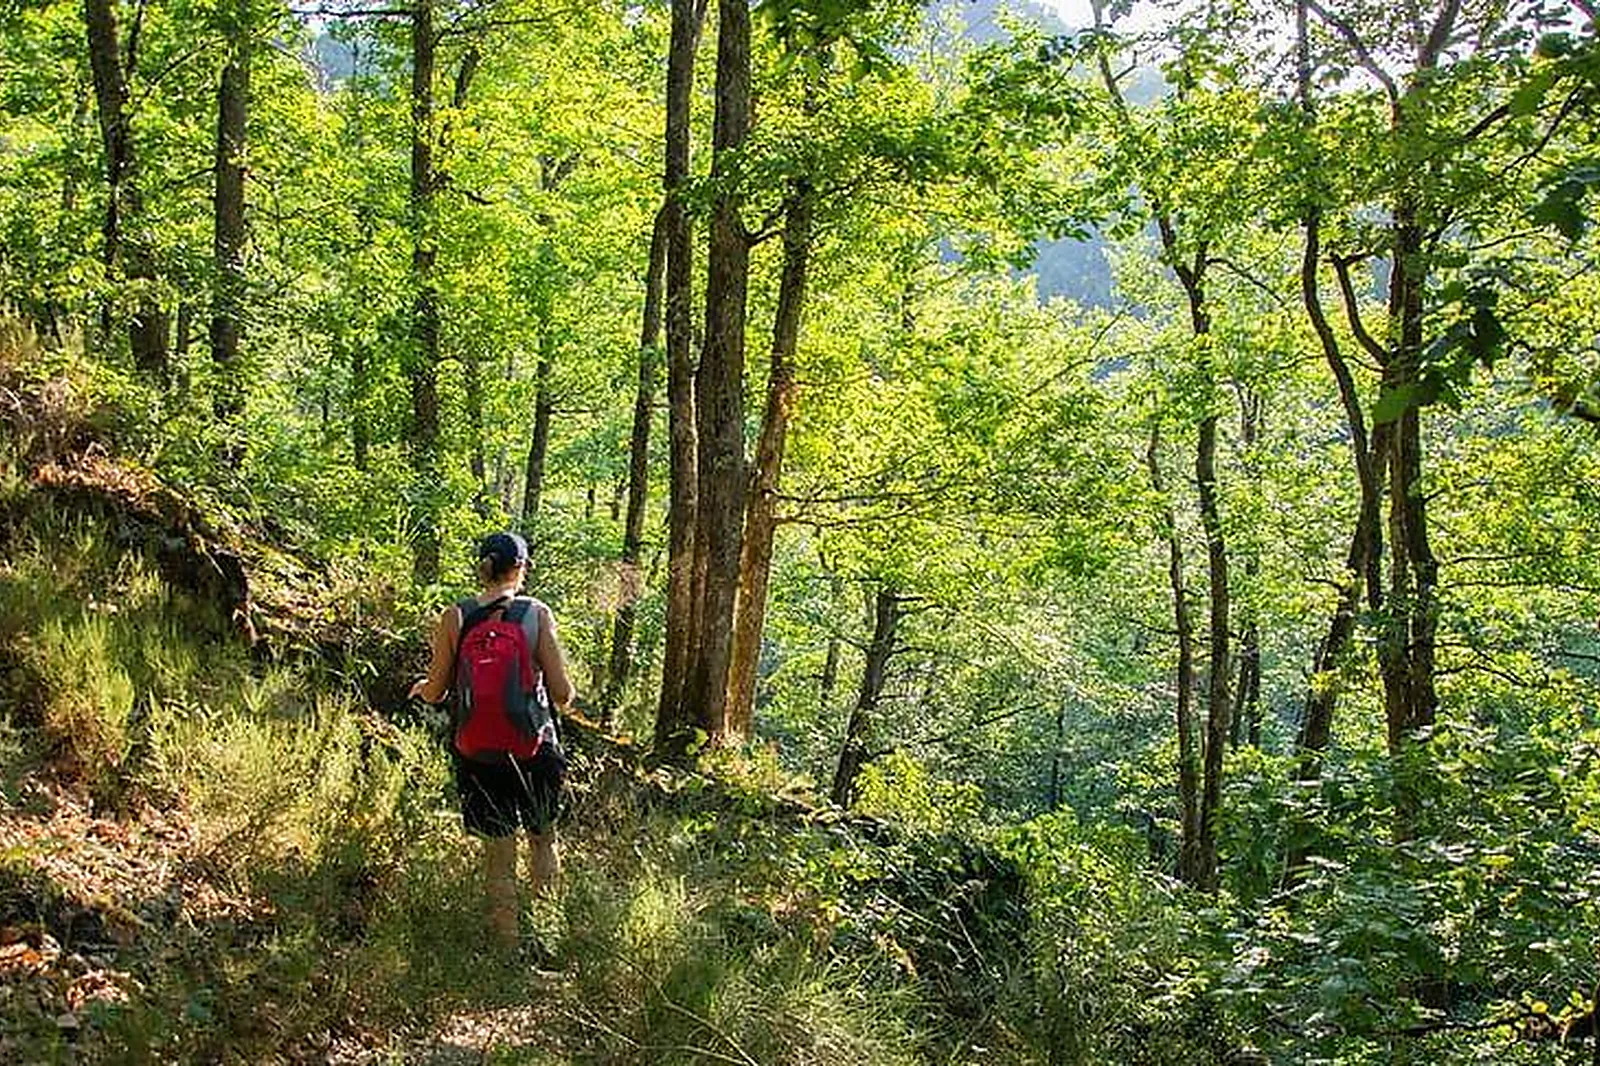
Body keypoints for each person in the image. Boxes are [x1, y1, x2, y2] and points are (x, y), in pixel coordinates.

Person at [409, 531, 575, 948]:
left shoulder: (456, 616)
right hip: (534, 748)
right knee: (543, 840)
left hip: (478, 754)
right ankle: (549, 940)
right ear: (519, 568)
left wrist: (420, 689)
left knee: (498, 852)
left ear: (482, 567)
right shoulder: (536, 614)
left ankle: (507, 947)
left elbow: (436, 691)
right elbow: (562, 693)